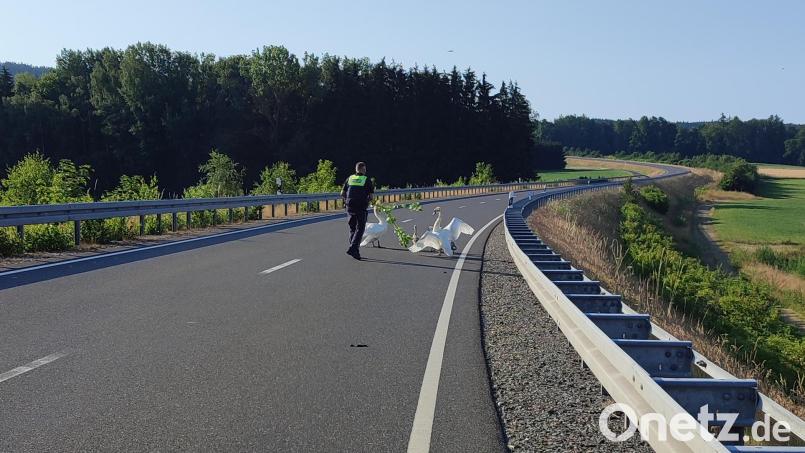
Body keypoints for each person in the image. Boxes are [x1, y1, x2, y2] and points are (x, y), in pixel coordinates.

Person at [341, 162, 374, 260]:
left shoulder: (350, 178)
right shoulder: (366, 179)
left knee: (352, 228)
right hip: (361, 206)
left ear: (356, 169)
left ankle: (355, 252)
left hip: (349, 206)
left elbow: (342, 193)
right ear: (363, 169)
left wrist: (347, 200)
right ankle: (353, 248)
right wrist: (367, 201)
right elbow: (371, 196)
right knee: (360, 228)